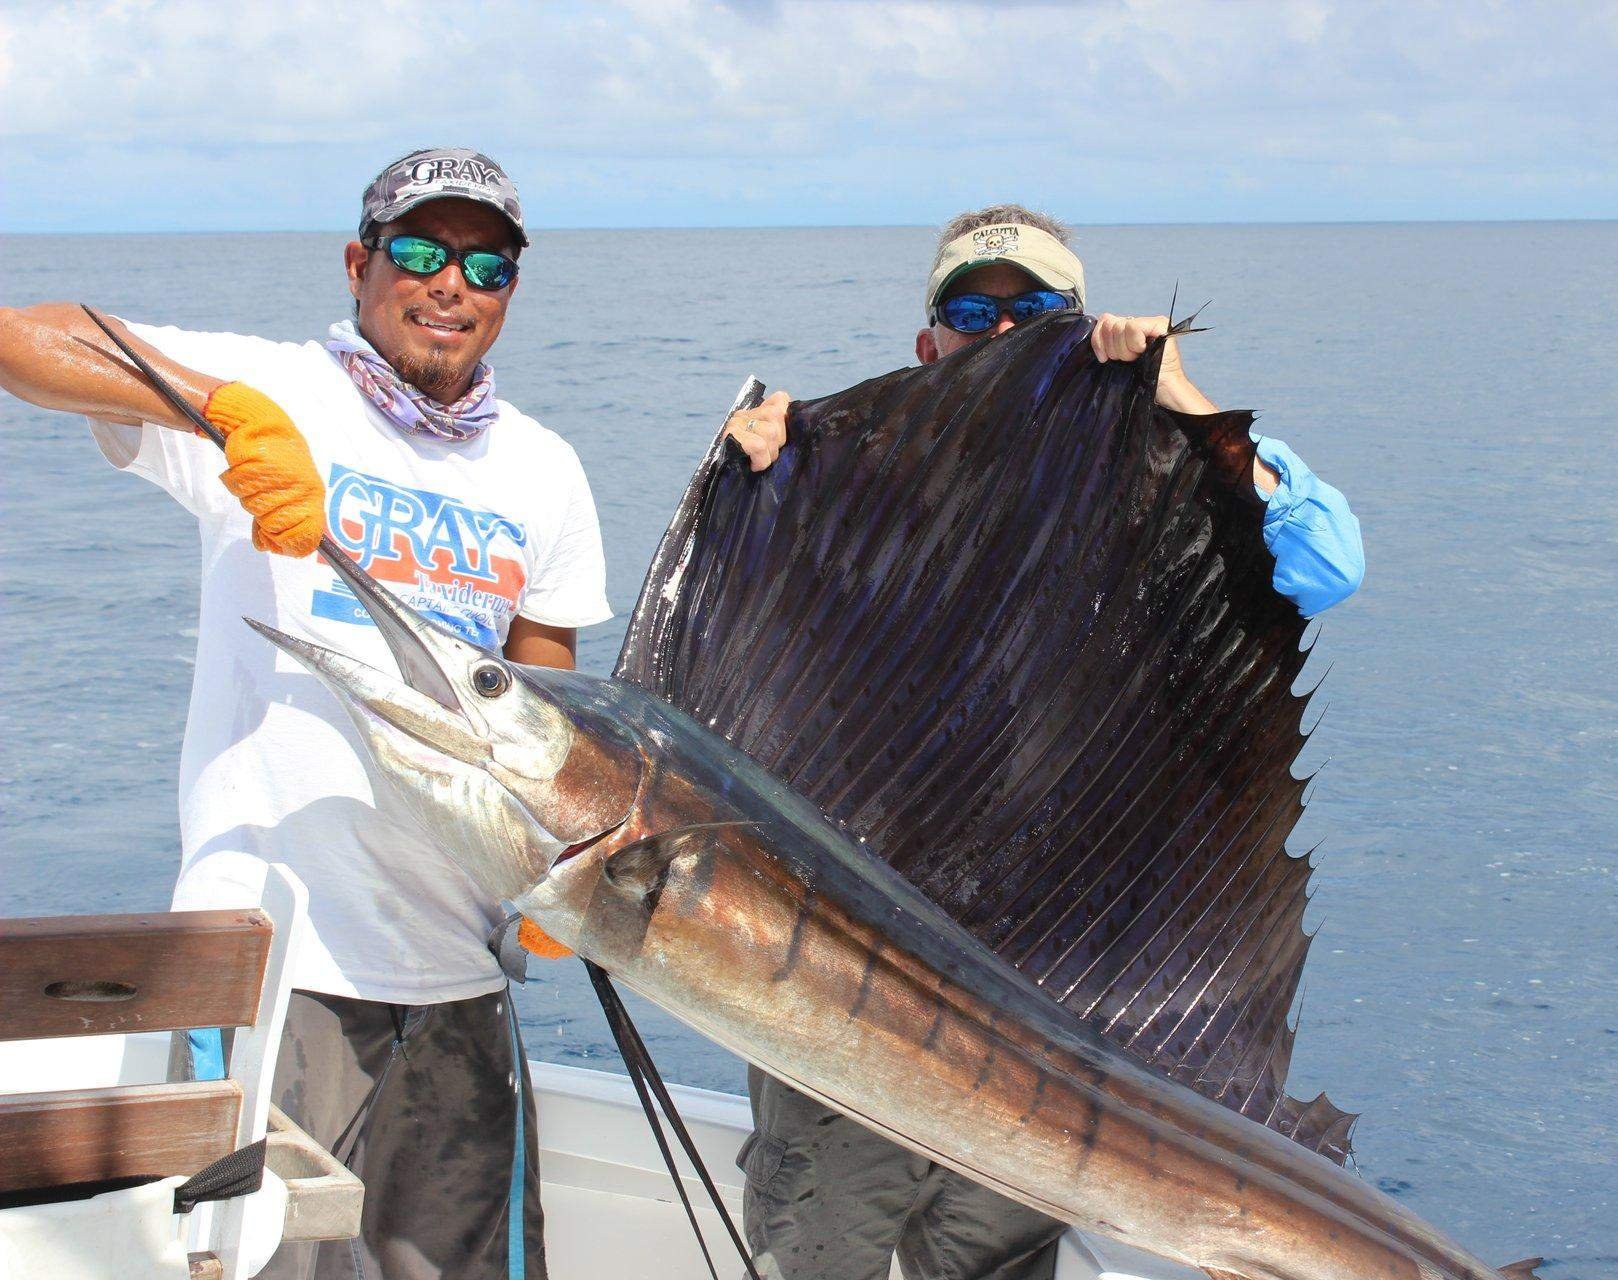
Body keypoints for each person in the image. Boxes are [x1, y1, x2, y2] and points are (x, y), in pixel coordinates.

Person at [719, 204, 1364, 1280]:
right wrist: (757, 467)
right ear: (930, 346)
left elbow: (1326, 562)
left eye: (1039, 311)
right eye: (975, 313)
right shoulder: (850, 481)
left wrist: (1176, 393)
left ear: (1081, 323)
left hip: (1043, 993)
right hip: (851, 982)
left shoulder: (1157, 462)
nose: (1005, 333)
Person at [0, 148, 610, 1280]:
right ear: (359, 262)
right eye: (420, 250)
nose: (452, 284)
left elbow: (551, 715)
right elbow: (22, 340)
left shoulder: (545, 470)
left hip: (460, 975)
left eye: (489, 263)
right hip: (274, 971)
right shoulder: (275, 388)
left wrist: (552, 897)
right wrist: (220, 412)